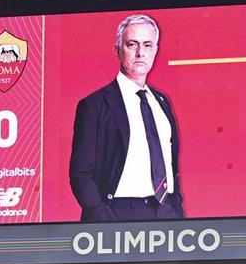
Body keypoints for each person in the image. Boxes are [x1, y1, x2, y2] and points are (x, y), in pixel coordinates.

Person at [69, 12, 184, 222]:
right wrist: (101, 216)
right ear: (118, 50)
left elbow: (170, 164)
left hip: (166, 214)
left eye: (148, 45)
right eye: (132, 44)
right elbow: (81, 173)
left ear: (155, 50)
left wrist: (176, 209)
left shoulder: (161, 102)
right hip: (119, 214)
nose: (141, 52)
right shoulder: (94, 105)